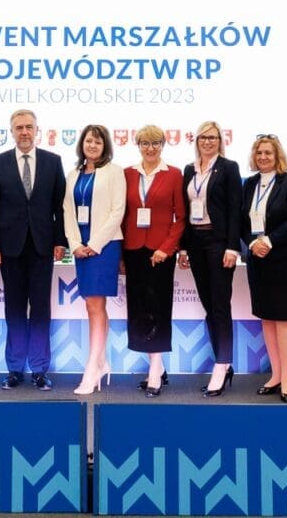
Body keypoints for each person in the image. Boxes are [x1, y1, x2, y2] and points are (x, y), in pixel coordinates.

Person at [0, 109, 66, 391]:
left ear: (37, 130)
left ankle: (40, 369)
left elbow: (60, 207)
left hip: (42, 247)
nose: (24, 132)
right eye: (19, 127)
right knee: (15, 308)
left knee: (41, 308)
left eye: (29, 127)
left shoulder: (53, 161)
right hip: (10, 249)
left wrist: (60, 241)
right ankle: (15, 369)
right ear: (12, 131)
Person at [177, 121, 242, 397]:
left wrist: (233, 247)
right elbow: (184, 210)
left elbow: (235, 209)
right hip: (195, 242)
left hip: (218, 242)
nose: (208, 141)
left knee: (220, 306)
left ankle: (222, 364)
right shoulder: (189, 169)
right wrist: (182, 248)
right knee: (208, 305)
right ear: (197, 140)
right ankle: (223, 362)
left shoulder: (229, 168)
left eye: (213, 137)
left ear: (220, 140)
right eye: (203, 137)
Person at [242, 135, 287, 403]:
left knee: (284, 318)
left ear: (277, 155)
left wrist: (268, 241)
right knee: (267, 317)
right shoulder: (249, 184)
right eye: (259, 153)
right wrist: (252, 243)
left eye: (268, 152)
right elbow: (241, 221)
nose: (263, 157)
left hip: (286, 258)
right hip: (258, 260)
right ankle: (276, 375)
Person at [122, 125, 186, 398]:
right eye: (145, 143)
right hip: (133, 250)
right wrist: (121, 255)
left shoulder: (174, 174)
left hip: (161, 253)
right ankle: (157, 367)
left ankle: (156, 372)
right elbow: (122, 215)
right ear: (138, 145)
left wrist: (167, 248)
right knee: (139, 309)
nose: (150, 148)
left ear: (163, 145)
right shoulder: (127, 174)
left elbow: (181, 218)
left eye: (156, 143)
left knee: (159, 307)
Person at [63, 124, 126, 395]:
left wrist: (94, 244)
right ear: (82, 144)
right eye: (89, 141)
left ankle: (92, 368)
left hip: (105, 245)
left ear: (105, 146)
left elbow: (117, 212)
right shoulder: (73, 174)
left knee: (96, 304)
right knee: (92, 305)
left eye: (98, 142)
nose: (92, 146)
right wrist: (76, 244)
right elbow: (67, 211)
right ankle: (100, 362)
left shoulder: (115, 172)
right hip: (81, 247)